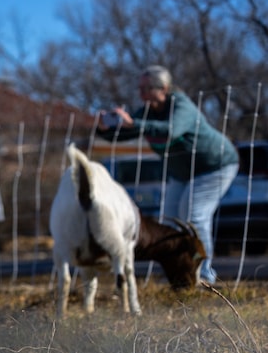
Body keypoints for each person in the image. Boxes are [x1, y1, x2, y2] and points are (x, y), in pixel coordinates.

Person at [98, 64, 239, 284]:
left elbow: (171, 130)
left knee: (195, 214)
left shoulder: (182, 106)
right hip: (182, 173)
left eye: (146, 88)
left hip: (215, 166)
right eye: (140, 88)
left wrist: (135, 123)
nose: (141, 93)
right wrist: (105, 129)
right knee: (171, 220)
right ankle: (179, 273)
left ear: (163, 88)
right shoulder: (146, 112)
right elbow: (124, 133)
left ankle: (204, 275)